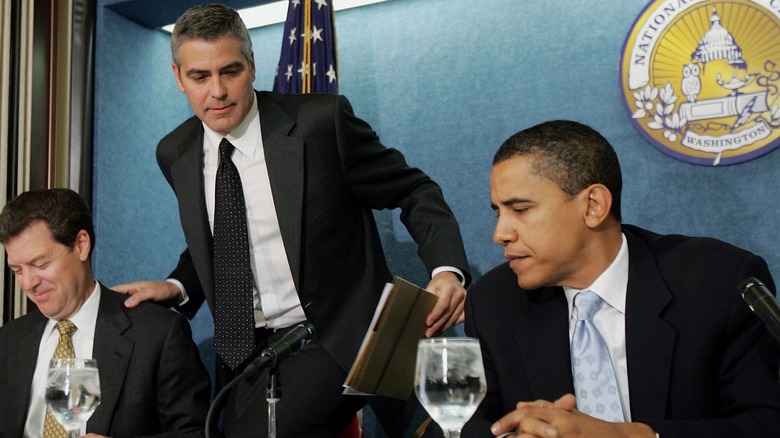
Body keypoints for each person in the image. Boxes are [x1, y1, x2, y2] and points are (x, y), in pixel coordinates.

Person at [112, 3, 471, 436]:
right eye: (200, 77)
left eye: (231, 71)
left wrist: (447, 270)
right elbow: (223, 235)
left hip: (337, 336)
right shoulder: (175, 153)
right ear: (177, 77)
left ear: (253, 65)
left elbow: (414, 190)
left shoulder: (321, 124)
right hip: (247, 353)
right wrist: (177, 286)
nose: (218, 92)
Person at [458, 120, 780, 437]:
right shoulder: (494, 303)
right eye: (497, 212)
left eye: (521, 210)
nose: (500, 234)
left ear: (594, 205)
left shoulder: (716, 281)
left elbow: (766, 421)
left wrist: (628, 436)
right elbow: (461, 422)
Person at [0, 188, 211, 437]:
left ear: (81, 245)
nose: (28, 283)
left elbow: (195, 434)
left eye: (40, 264)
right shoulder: (8, 342)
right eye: (17, 270)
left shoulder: (157, 335)